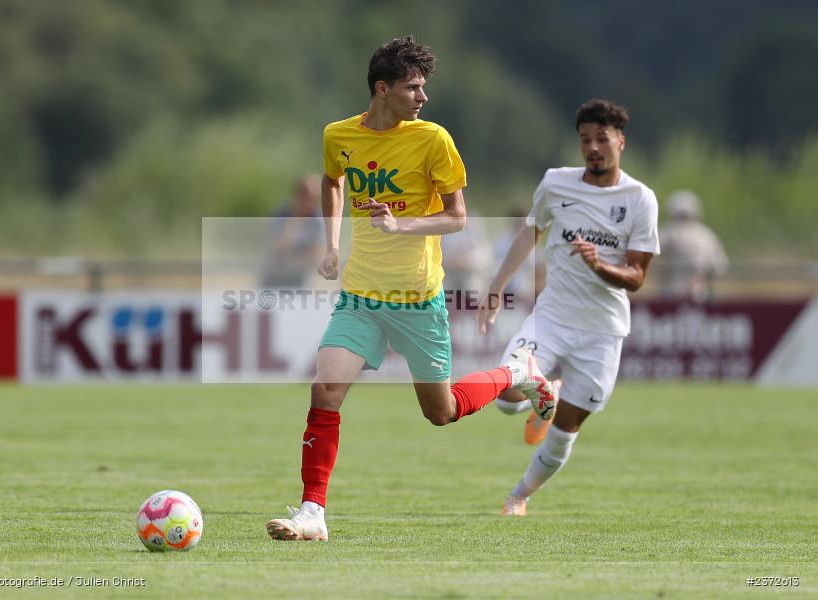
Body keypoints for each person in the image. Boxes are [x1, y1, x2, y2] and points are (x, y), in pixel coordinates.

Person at [265, 35, 555, 541]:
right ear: (383, 88)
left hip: (417, 297)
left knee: (439, 412)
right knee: (326, 388)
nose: (422, 97)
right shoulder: (338, 135)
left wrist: (402, 227)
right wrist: (332, 244)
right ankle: (312, 513)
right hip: (361, 296)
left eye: (424, 88)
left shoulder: (433, 139)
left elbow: (458, 218)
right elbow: (334, 182)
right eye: (413, 87)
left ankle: (518, 371)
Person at [478, 99, 660, 517]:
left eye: (602, 138)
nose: (593, 147)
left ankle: (518, 496)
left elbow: (637, 275)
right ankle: (546, 392)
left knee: (563, 436)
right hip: (553, 317)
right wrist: (496, 286)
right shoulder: (555, 184)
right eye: (585, 139)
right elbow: (530, 234)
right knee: (506, 396)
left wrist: (600, 264)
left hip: (603, 331)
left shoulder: (640, 200)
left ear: (621, 142)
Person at [658, 190, 728, 302]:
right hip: (700, 294)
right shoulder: (707, 235)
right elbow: (720, 267)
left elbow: (647, 253)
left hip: (672, 293)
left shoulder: (669, 232)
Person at [260, 175, 324, 288]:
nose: (308, 201)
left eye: (313, 198)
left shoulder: (317, 222)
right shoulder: (282, 214)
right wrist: (296, 219)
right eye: (304, 195)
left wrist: (293, 262)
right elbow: (277, 247)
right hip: (272, 277)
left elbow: (316, 254)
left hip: (298, 281)